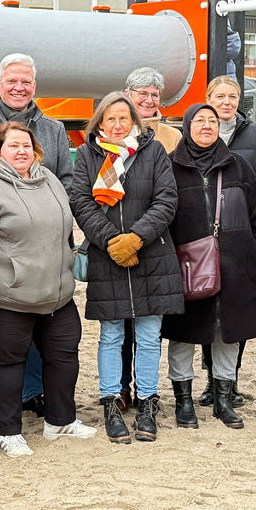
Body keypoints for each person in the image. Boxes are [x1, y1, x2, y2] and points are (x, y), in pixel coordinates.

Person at [0, 122, 97, 456]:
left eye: (27, 146)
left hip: (55, 294)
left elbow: (64, 232)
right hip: (6, 296)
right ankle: (7, 430)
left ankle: (59, 420)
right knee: (6, 362)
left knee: (64, 355)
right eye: (13, 146)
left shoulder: (49, 181)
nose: (21, 151)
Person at [0, 53, 73, 429]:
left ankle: (33, 392)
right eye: (12, 81)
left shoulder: (54, 130)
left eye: (25, 82)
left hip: (44, 246)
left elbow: (66, 180)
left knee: (42, 321)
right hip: (2, 246)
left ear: (34, 87)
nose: (19, 87)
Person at [69, 91, 181, 444]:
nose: (117, 125)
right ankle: (111, 403)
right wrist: (113, 243)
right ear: (99, 122)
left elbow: (167, 199)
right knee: (111, 335)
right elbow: (81, 201)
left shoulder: (154, 152)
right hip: (107, 258)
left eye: (124, 118)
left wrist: (136, 238)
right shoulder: (88, 155)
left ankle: (147, 402)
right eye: (110, 119)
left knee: (149, 337)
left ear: (134, 120)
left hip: (152, 256)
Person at [162, 103, 256, 429]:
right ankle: (183, 401)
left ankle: (224, 399)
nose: (206, 126)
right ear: (187, 126)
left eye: (212, 121)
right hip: (185, 267)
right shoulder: (171, 167)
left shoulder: (237, 166)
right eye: (199, 120)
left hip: (234, 268)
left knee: (227, 331)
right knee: (182, 334)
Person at [200, 74, 256, 407]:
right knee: (204, 304)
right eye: (220, 97)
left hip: (240, 233)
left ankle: (230, 379)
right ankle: (209, 380)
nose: (226, 102)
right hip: (205, 234)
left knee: (237, 309)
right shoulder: (198, 132)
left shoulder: (255, 135)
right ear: (209, 99)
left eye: (232, 97)